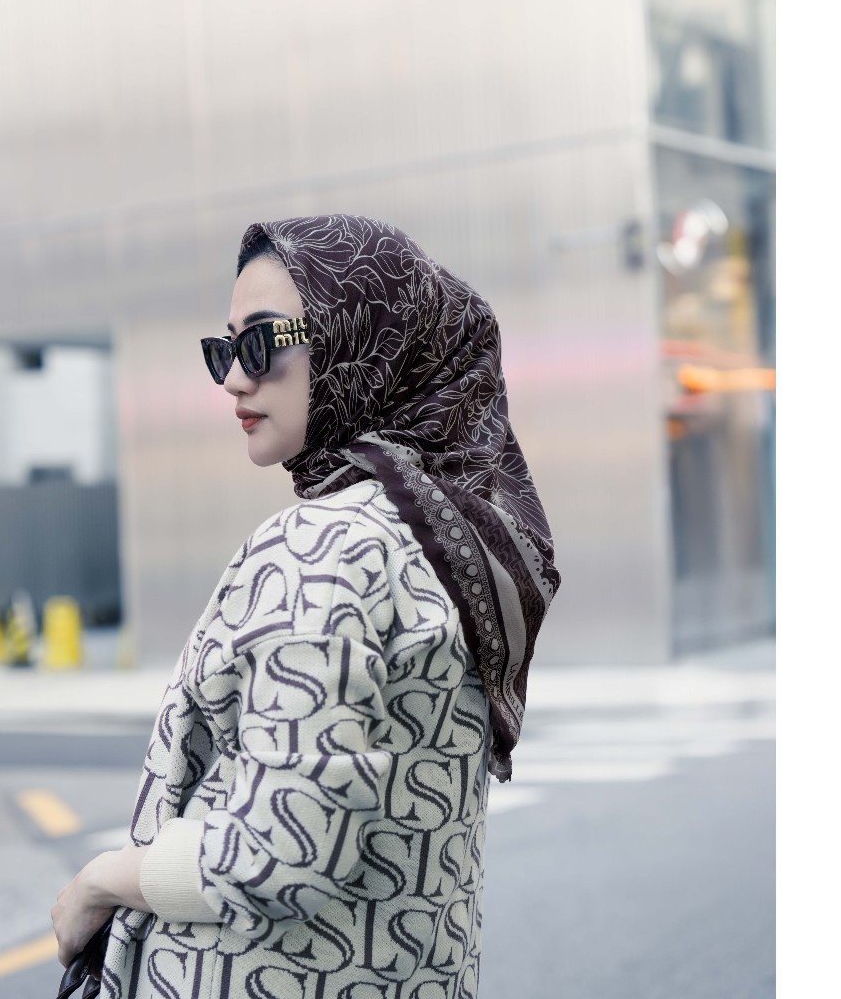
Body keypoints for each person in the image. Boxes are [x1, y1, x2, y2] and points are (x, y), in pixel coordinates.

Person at [52, 214, 560, 998]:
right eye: (225, 349)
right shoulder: (440, 540)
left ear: (363, 341)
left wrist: (101, 879)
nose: (233, 378)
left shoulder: (321, 545)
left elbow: (279, 853)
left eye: (261, 343)